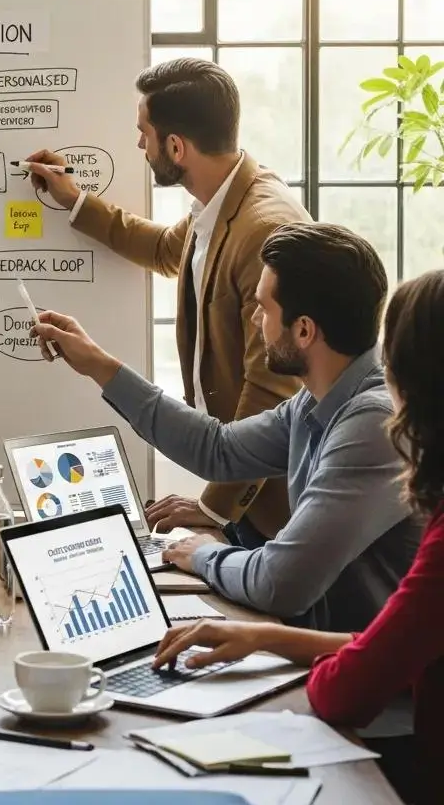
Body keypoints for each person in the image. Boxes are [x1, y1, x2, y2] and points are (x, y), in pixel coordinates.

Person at [32, 222, 422, 631]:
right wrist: (98, 364)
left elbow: (279, 583)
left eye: (264, 308)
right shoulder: (319, 398)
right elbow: (219, 450)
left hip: (376, 684)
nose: (256, 320)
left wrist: (202, 553)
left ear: (304, 330)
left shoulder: (373, 425)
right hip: (323, 652)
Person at [151, 269, 444, 805]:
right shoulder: (312, 405)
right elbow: (398, 647)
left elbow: (348, 690)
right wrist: (265, 638)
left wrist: (214, 559)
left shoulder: (367, 421)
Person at [27, 58, 310, 546]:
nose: (140, 144)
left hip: (268, 508)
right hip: (241, 482)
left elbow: (271, 393)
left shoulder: (264, 228)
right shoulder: (225, 200)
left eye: (145, 132)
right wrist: (74, 199)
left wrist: (212, 508)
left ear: (175, 146)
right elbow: (164, 249)